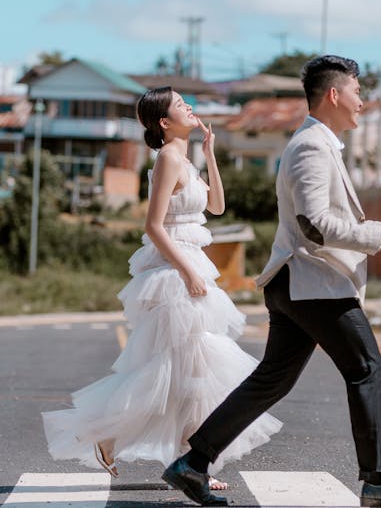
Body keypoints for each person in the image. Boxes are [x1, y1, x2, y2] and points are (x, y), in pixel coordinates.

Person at [162, 56, 381, 507]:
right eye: (357, 92)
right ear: (334, 94)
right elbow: (314, 223)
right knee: (367, 368)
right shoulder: (311, 146)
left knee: (273, 379)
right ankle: (377, 479)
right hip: (312, 283)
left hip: (297, 282)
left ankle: (192, 464)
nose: (362, 102)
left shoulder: (320, 144)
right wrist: (377, 234)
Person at [42, 86, 280, 490]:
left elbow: (217, 207)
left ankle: (140, 447)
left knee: (187, 371)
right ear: (165, 122)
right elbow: (153, 226)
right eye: (181, 105)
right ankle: (185, 462)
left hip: (191, 263)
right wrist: (187, 272)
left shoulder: (185, 159)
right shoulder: (168, 157)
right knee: (182, 369)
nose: (190, 107)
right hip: (174, 270)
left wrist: (210, 153)